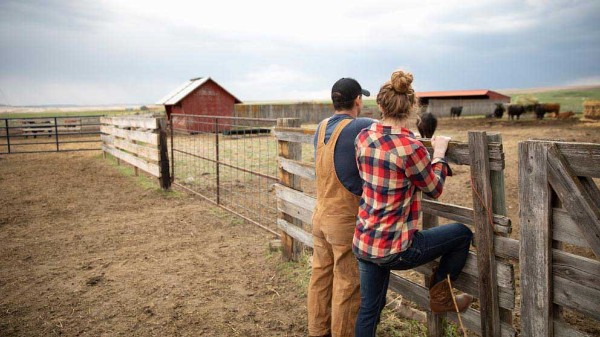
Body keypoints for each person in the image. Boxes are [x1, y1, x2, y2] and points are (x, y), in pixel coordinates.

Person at [353, 70, 474, 337]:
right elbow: (434, 188)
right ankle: (441, 292)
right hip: (397, 248)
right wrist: (439, 155)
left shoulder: (363, 136)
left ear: (381, 106)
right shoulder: (410, 147)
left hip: (365, 241)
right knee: (463, 234)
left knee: (369, 309)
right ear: (411, 107)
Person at [307, 78, 375, 337]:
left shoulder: (321, 127)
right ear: (358, 100)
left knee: (320, 277)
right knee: (347, 283)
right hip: (343, 221)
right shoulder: (360, 125)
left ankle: (317, 331)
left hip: (320, 216)